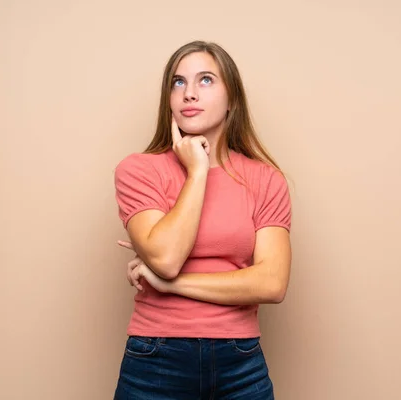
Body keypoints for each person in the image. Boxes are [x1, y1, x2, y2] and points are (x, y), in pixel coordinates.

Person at [112, 40, 292, 399]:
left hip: (240, 362)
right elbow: (166, 257)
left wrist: (172, 285)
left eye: (206, 80)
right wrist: (197, 173)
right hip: (155, 359)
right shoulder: (139, 170)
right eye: (178, 83)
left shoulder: (265, 179)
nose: (189, 93)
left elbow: (272, 283)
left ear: (232, 100)